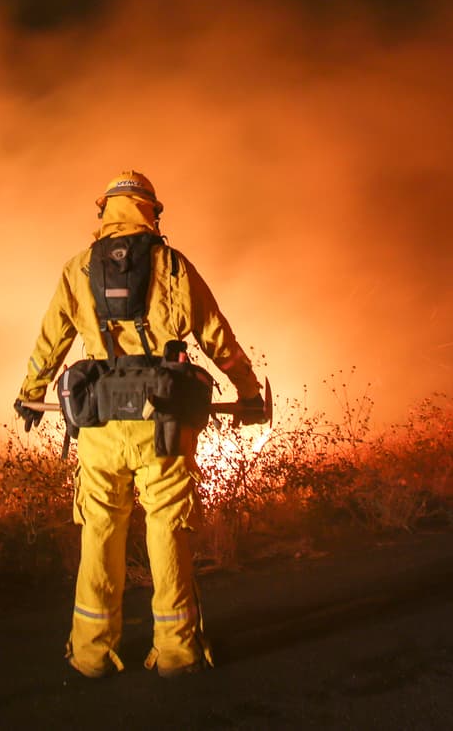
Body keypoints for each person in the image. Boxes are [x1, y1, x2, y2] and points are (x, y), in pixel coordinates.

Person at [14, 170, 268, 679]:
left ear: (104, 211)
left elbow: (51, 338)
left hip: (100, 427)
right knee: (168, 529)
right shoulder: (172, 266)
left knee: (99, 533)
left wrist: (31, 393)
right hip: (164, 426)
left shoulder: (79, 268)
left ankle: (90, 654)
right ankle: (176, 652)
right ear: (152, 211)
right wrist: (247, 392)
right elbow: (216, 334)